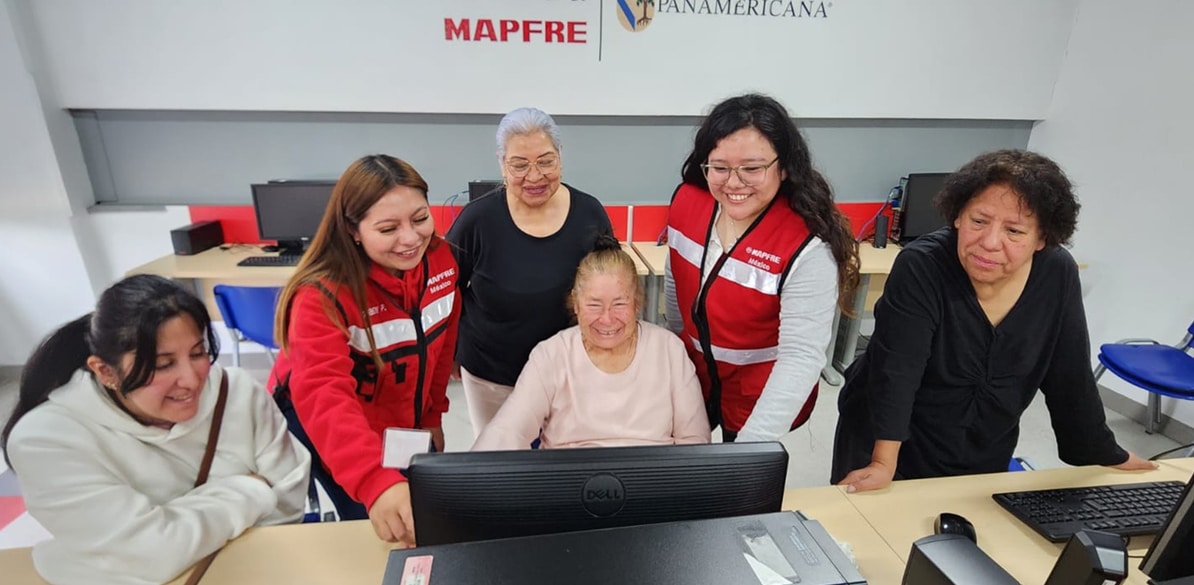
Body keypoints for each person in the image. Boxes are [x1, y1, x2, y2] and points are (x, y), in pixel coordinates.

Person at [831, 150, 1157, 492]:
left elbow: (1069, 373)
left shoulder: (1056, 273)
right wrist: (883, 463)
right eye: (978, 221)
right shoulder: (922, 265)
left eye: (1014, 231)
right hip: (888, 439)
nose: (989, 243)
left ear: (1042, 238)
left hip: (984, 442)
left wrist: (1104, 452)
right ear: (957, 216)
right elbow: (896, 372)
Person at [1, 274, 310, 585]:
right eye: (164, 364)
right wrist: (251, 490)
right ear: (105, 371)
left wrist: (172, 526)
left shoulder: (238, 392)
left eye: (197, 353)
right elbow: (149, 553)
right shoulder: (46, 440)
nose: (191, 380)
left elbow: (288, 504)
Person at [269, 154, 460, 546]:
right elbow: (324, 395)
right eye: (388, 228)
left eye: (420, 218)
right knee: (381, 527)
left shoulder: (441, 261)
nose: (410, 239)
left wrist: (431, 416)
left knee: (420, 518)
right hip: (334, 425)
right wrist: (375, 480)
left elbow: (441, 346)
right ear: (353, 230)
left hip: (403, 416)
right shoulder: (321, 295)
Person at [666, 94, 860, 443]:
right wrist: (676, 357)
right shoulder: (688, 201)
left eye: (752, 169)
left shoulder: (806, 246)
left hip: (758, 396)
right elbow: (675, 278)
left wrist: (751, 448)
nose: (734, 183)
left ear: (783, 167)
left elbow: (800, 359)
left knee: (735, 486)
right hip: (694, 377)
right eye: (720, 167)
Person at [447, 107, 613, 438]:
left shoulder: (589, 213)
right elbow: (445, 288)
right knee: (501, 463)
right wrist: (447, 353)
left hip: (568, 373)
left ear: (560, 157)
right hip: (491, 373)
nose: (534, 176)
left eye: (546, 161)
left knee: (560, 464)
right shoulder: (477, 220)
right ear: (501, 163)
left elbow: (610, 284)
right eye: (519, 165)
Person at [474, 235, 710, 450]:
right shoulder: (552, 354)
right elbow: (508, 430)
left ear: (637, 302)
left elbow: (694, 439)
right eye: (594, 305)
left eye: (619, 304)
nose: (607, 319)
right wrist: (476, 481)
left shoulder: (668, 349)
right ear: (575, 304)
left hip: (653, 482)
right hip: (570, 482)